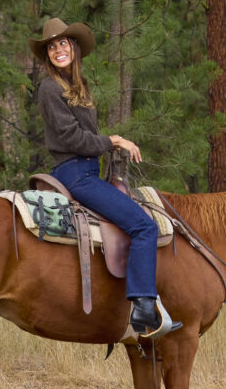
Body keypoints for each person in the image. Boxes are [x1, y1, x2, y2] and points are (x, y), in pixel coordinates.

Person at [30, 17, 180, 339]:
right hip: (75, 174)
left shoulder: (77, 87)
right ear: (47, 55)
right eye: (52, 46)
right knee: (143, 225)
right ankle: (142, 308)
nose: (58, 49)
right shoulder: (49, 88)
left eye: (63, 43)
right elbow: (71, 138)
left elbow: (83, 136)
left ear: (74, 47)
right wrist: (113, 141)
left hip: (86, 171)